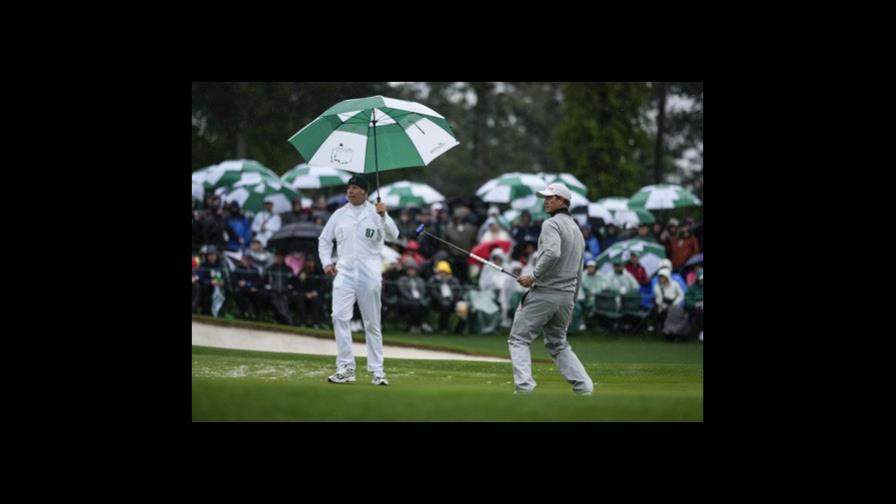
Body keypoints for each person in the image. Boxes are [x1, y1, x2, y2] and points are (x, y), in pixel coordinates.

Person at [508, 183, 594, 396]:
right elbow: (579, 272)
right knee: (558, 344)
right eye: (545, 197)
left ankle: (525, 389)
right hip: (566, 298)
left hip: (545, 292)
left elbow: (553, 253)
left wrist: (533, 276)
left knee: (518, 339)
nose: (546, 201)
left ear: (563, 200)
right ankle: (585, 388)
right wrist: (572, 301)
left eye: (551, 197)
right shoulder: (577, 230)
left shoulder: (551, 224)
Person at [318, 174, 398, 386]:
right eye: (349, 187)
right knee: (339, 316)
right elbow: (324, 240)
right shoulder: (339, 214)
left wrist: (384, 215)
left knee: (372, 323)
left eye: (355, 187)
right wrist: (326, 262)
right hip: (343, 272)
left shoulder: (376, 211)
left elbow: (394, 235)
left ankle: (378, 371)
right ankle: (345, 367)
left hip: (369, 273)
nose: (350, 191)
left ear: (364, 191)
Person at [441, 207, 477, 284]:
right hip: (453, 258)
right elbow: (444, 243)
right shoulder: (448, 228)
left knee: (465, 277)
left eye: (461, 218)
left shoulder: (470, 229)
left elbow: (474, 242)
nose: (459, 220)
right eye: (457, 218)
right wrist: (450, 253)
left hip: (466, 257)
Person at [427, 260, 464, 333]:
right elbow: (433, 293)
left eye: (445, 272)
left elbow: (458, 292)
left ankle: (459, 330)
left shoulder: (454, 280)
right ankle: (443, 328)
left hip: (453, 301)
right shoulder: (433, 280)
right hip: (438, 302)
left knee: (463, 306)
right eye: (441, 272)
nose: (443, 274)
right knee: (445, 305)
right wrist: (442, 300)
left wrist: (454, 300)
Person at [397, 260, 431, 334]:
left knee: (424, 305)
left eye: (413, 270)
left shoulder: (419, 280)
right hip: (406, 300)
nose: (411, 271)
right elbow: (403, 291)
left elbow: (423, 291)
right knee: (415, 306)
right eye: (410, 270)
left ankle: (419, 324)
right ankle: (415, 325)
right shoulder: (402, 279)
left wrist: (419, 299)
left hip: (418, 300)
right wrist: (412, 298)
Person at [294, 256, 327, 328]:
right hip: (304, 294)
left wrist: (315, 292)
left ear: (314, 263)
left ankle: (315, 323)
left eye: (311, 262)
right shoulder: (302, 272)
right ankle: (302, 322)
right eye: (308, 262)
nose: (309, 264)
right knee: (300, 299)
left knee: (316, 300)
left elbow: (323, 286)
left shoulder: (318, 272)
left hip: (315, 294)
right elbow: (297, 286)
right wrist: (305, 292)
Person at [264, 250, 295, 325]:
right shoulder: (270, 269)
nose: (278, 258)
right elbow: (265, 281)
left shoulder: (288, 269)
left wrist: (289, 289)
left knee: (284, 302)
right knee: (276, 301)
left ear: (283, 258)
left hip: (285, 292)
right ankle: (286, 320)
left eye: (280, 257)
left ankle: (286, 320)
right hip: (272, 292)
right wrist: (269, 288)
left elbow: (292, 283)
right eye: (277, 257)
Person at [230, 253, 264, 320]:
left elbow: (259, 282)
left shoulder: (255, 270)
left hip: (253, 290)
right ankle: (244, 312)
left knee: (262, 294)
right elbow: (235, 281)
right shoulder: (237, 269)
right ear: (242, 259)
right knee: (237, 293)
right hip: (242, 290)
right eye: (245, 259)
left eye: (249, 259)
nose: (247, 261)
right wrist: (248, 285)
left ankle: (257, 314)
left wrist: (250, 285)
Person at [653, 269, 685, 340]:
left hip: (675, 307)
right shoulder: (657, 287)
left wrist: (675, 303)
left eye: (663, 277)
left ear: (667, 277)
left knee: (679, 314)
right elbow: (658, 299)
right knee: (668, 314)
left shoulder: (675, 285)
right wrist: (662, 305)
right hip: (663, 309)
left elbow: (681, 295)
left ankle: (677, 332)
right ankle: (668, 332)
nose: (661, 279)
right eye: (660, 277)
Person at [684, 267, 703, 342]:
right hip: (693, 309)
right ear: (698, 279)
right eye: (701, 279)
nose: (702, 281)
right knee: (700, 312)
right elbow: (687, 299)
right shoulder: (692, 288)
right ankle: (701, 331)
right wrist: (696, 304)